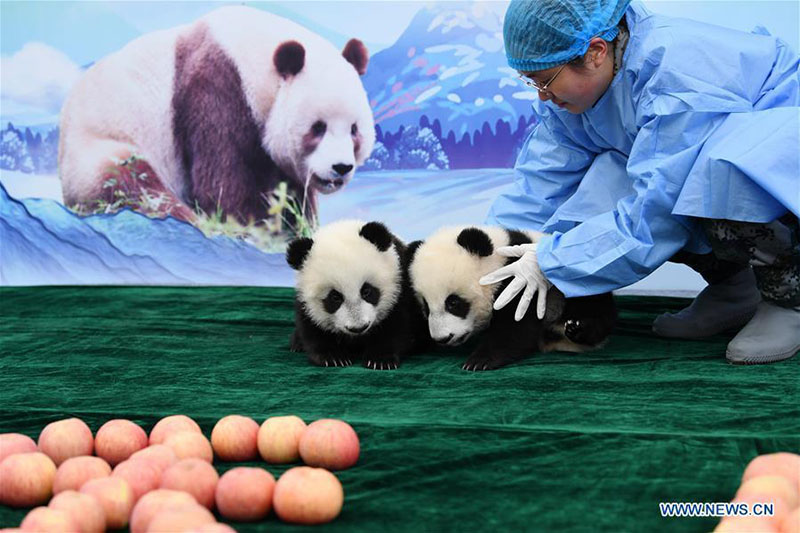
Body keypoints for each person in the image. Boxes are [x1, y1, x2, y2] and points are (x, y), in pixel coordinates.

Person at [480, 0, 799, 364]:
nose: (541, 95)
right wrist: (489, 253)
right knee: (611, 181)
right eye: (530, 81)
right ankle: (735, 290)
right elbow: (540, 182)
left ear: (596, 52)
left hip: (780, 154)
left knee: (716, 175)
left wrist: (553, 260)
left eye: (545, 80)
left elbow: (657, 210)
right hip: (687, 163)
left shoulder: (675, 75)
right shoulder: (583, 89)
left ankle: (790, 300)